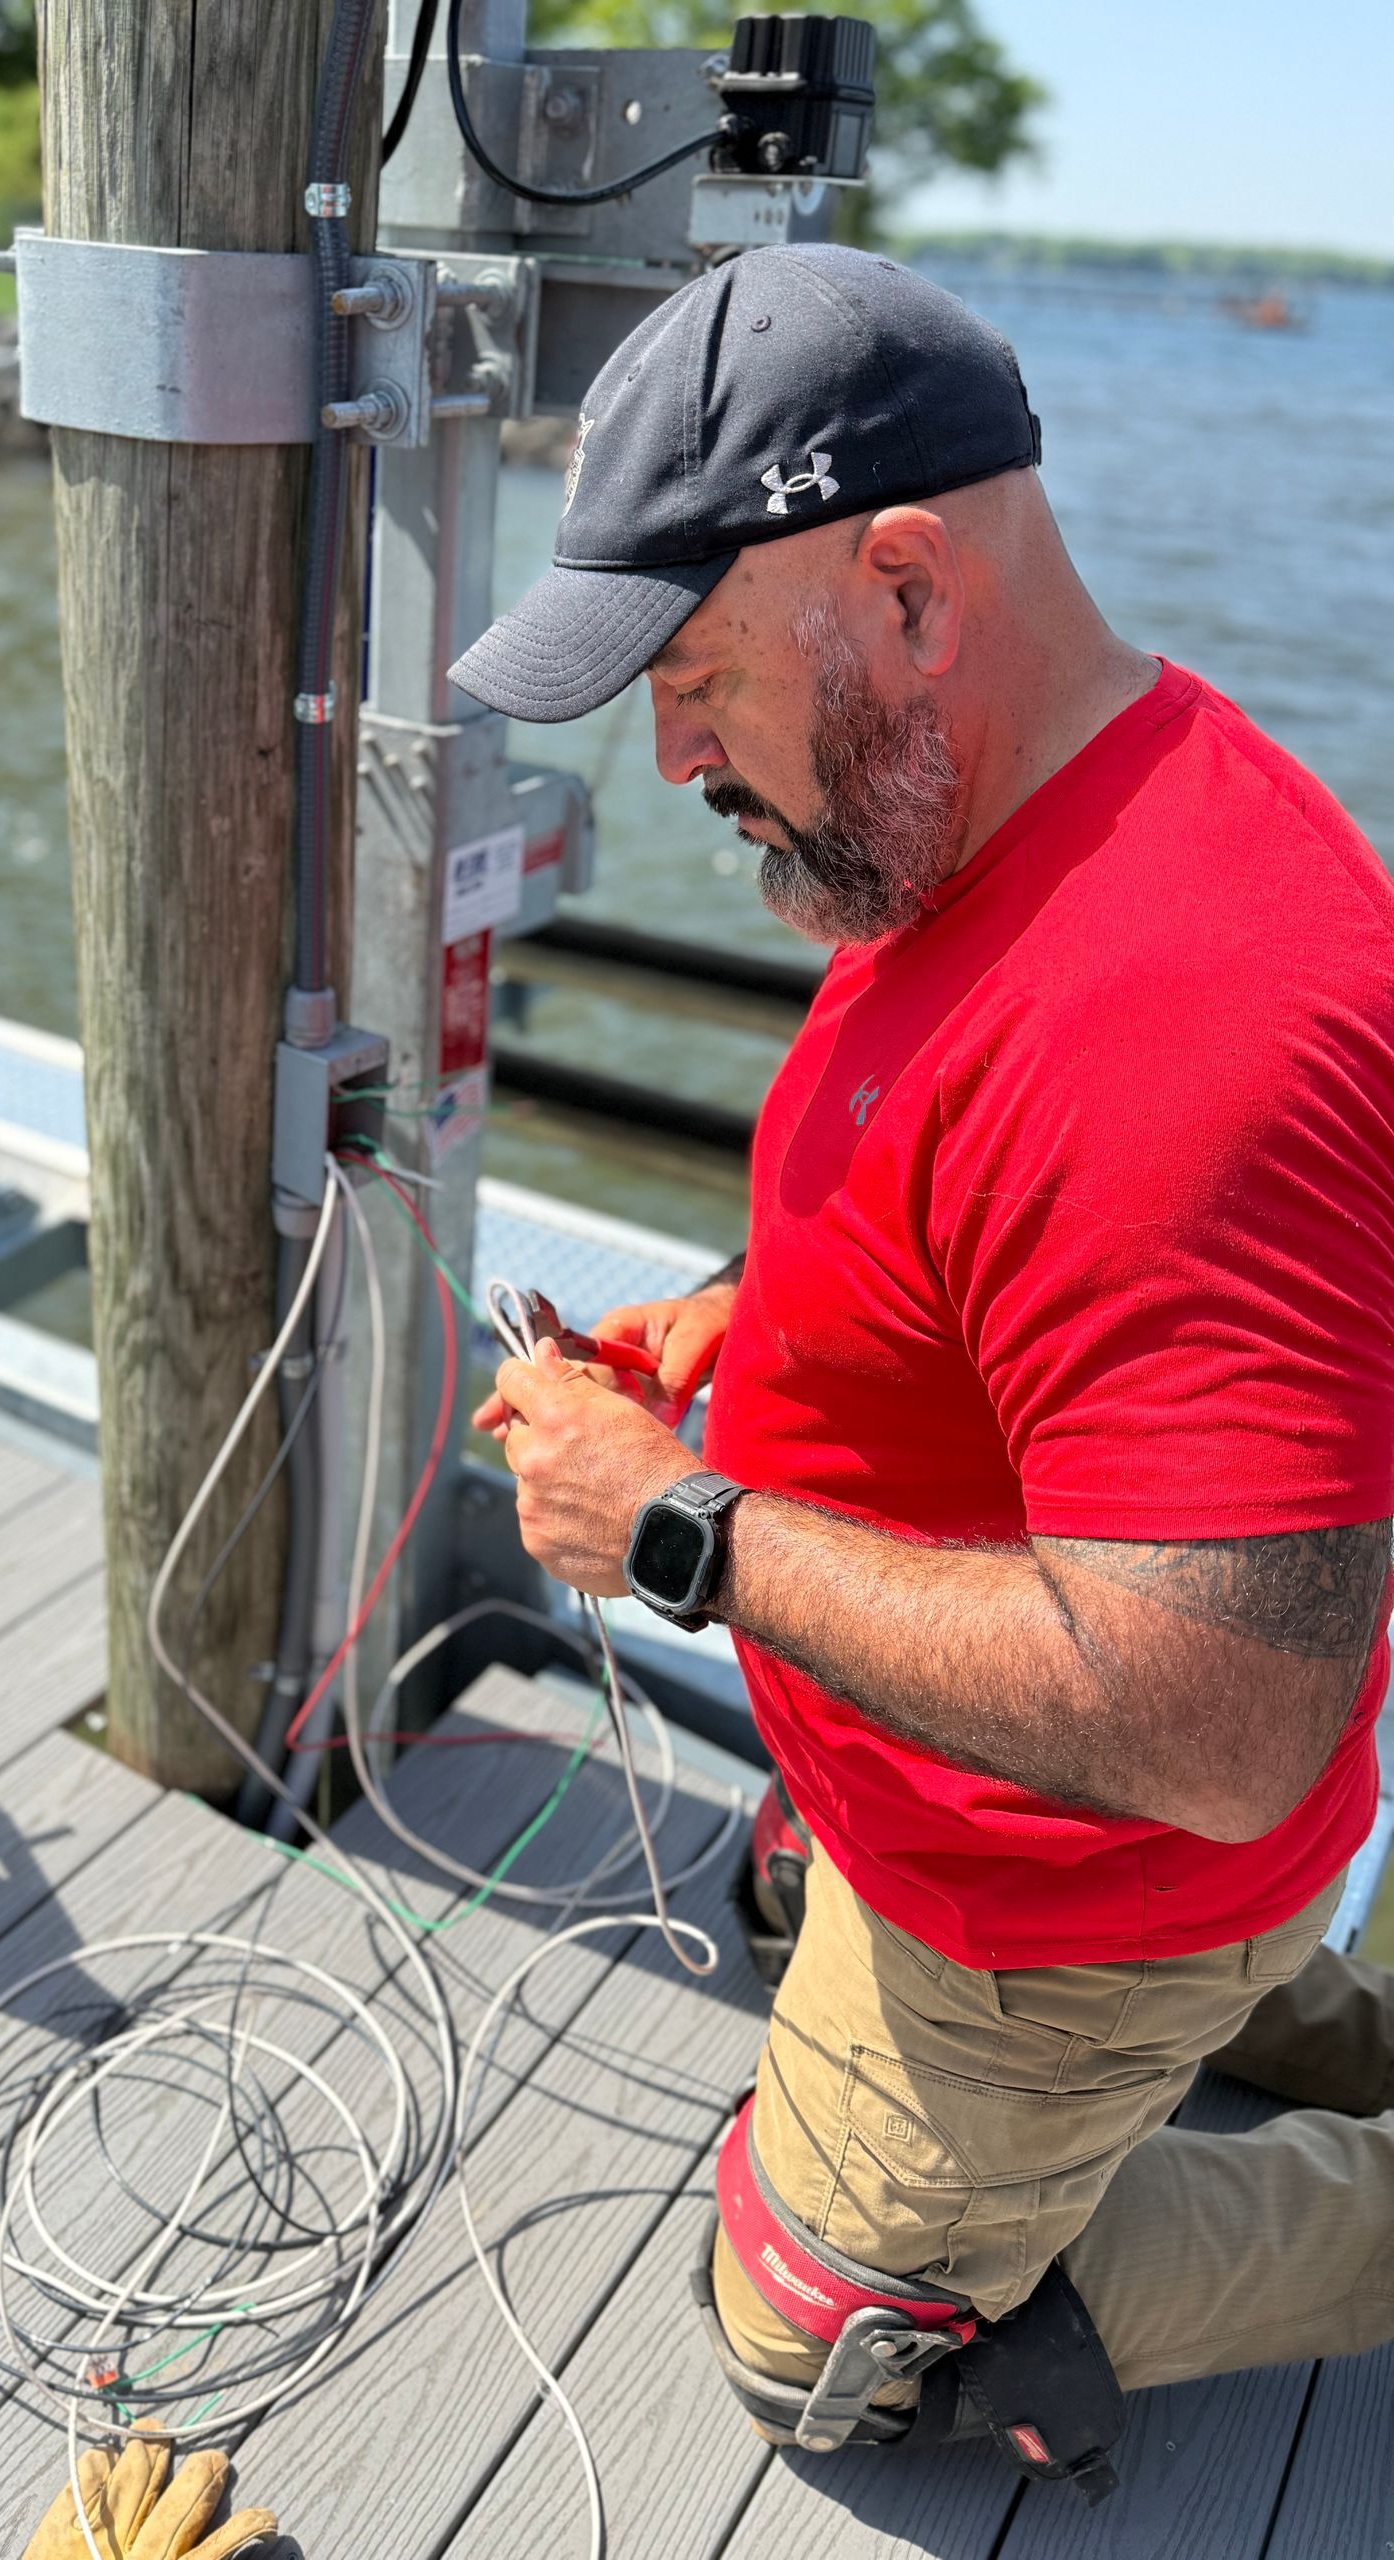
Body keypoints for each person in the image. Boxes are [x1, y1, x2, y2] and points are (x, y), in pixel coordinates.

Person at [456, 244, 1394, 2499]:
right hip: (1001, 1820)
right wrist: (748, 1325)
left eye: (690, 674)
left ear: (905, 589)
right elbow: (953, 1218)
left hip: (1072, 1878)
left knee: (828, 2354)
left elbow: (1224, 1709)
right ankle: (1276, 2001)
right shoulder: (1007, 812)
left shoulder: (1181, 1023)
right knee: (1201, 1941)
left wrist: (671, 1523)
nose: (664, 749)